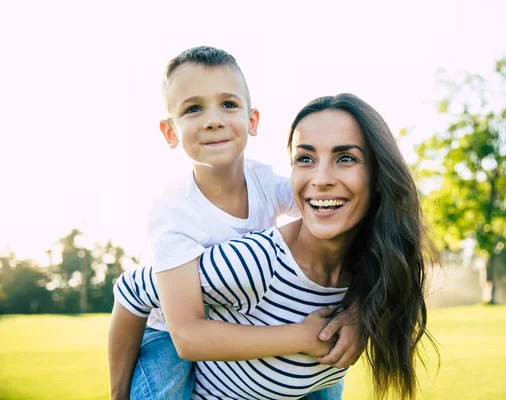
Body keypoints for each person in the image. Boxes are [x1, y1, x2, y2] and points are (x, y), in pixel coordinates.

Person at [115, 93, 435, 400]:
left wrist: (360, 311)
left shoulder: (376, 269)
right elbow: (133, 290)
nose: (321, 178)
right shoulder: (256, 262)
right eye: (305, 158)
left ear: (380, 175)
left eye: (346, 158)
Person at [108, 47, 357, 400]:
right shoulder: (173, 210)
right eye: (193, 108)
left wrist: (357, 310)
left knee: (323, 372)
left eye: (228, 104)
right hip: (170, 329)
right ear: (170, 132)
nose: (213, 120)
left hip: (240, 312)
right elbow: (188, 337)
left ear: (252, 120)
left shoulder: (266, 182)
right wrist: (301, 335)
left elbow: (329, 219)